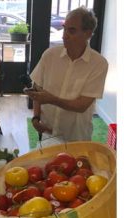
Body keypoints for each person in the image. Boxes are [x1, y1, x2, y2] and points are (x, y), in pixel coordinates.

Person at [27, 6, 108, 145]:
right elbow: (37, 89)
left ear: (88, 34)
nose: (64, 35)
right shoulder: (50, 55)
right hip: (48, 133)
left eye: (71, 31)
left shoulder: (99, 64)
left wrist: (51, 99)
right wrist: (35, 117)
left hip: (77, 137)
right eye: (64, 28)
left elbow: (81, 106)